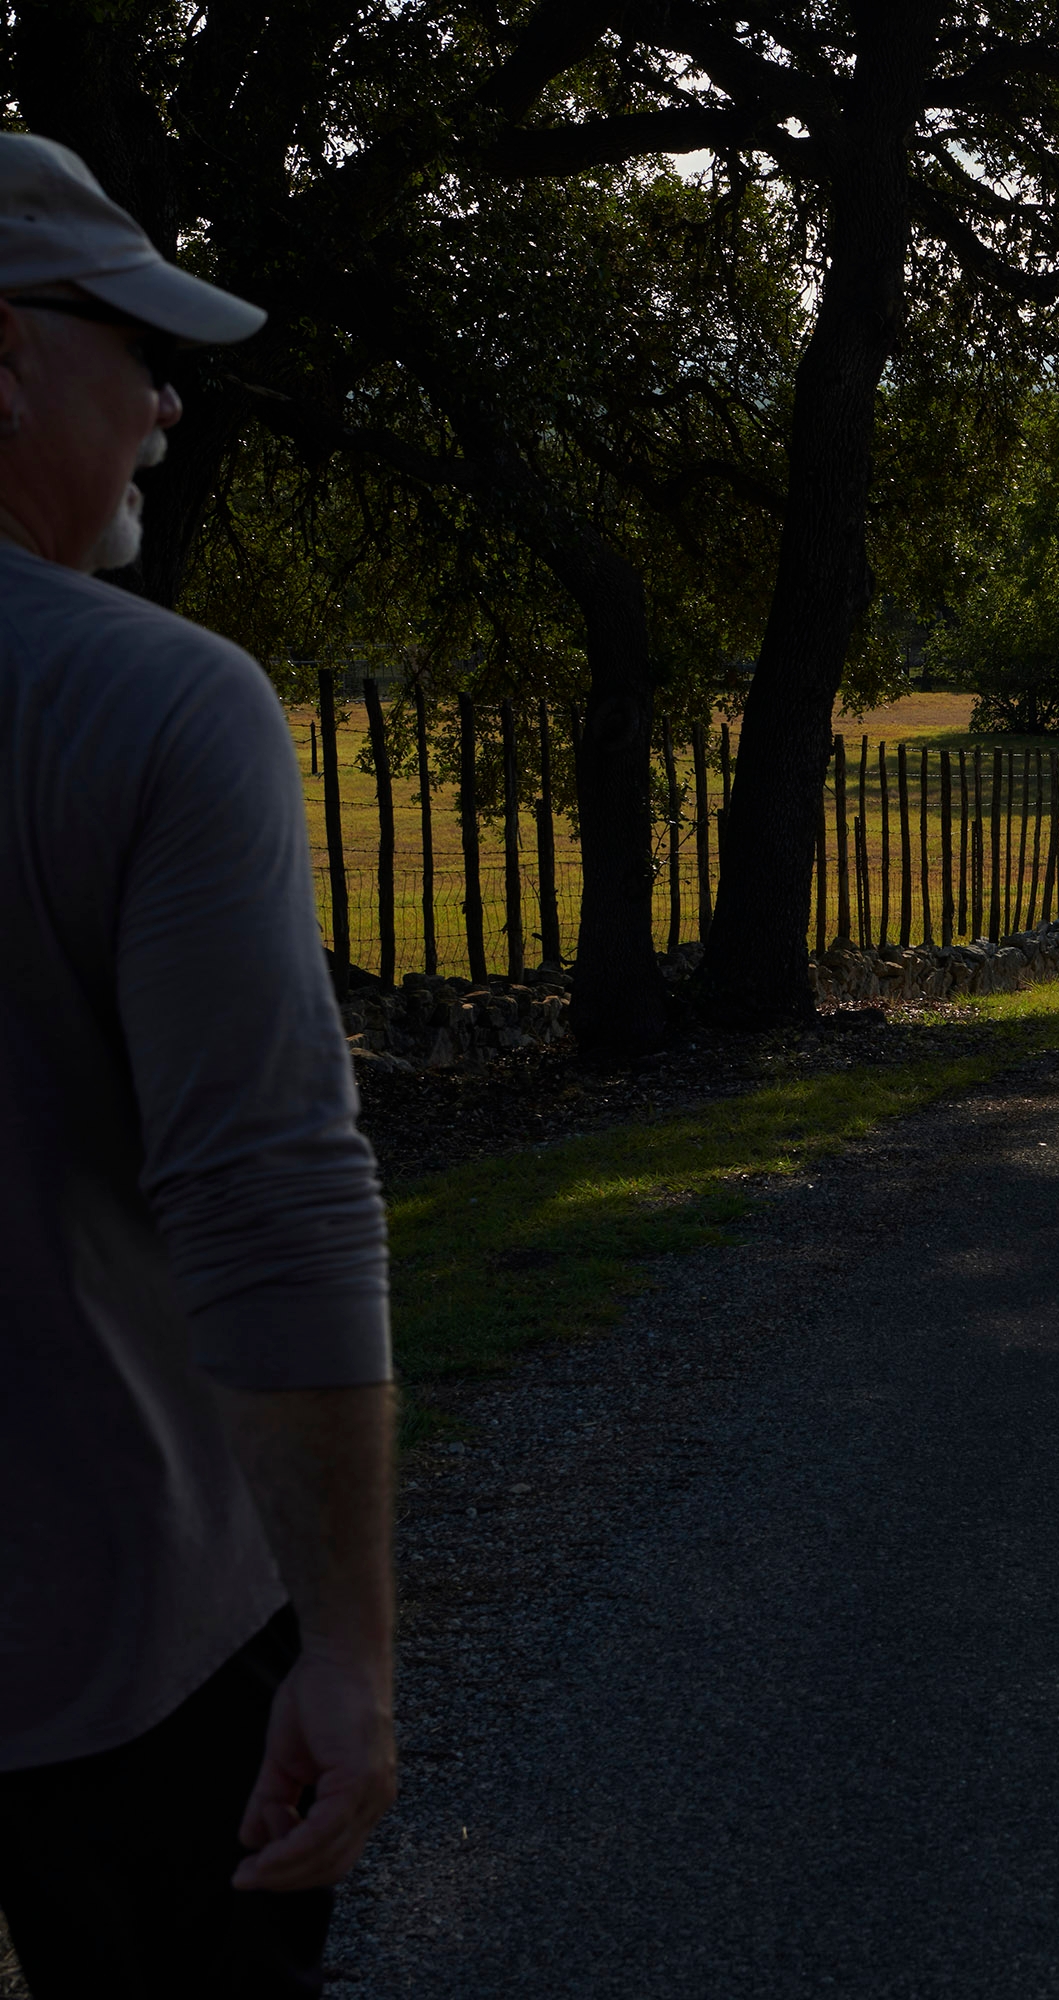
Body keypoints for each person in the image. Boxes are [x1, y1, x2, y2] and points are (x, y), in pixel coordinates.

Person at [0, 134, 397, 1997]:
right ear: (4, 359)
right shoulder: (150, 697)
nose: (167, 399)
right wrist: (350, 1648)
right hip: (123, 1642)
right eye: (133, 345)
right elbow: (267, 1195)